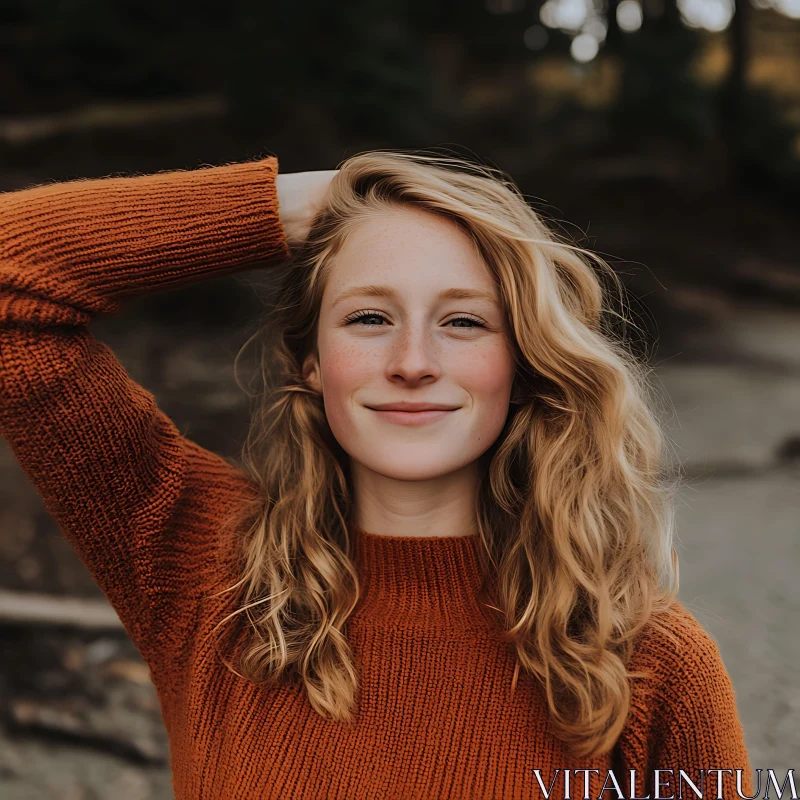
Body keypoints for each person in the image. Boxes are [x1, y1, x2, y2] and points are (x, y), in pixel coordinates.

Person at [0, 150, 753, 799]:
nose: (413, 363)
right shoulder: (206, 573)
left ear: (523, 368)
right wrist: (305, 204)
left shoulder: (650, 659)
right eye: (369, 317)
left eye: (465, 321)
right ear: (312, 364)